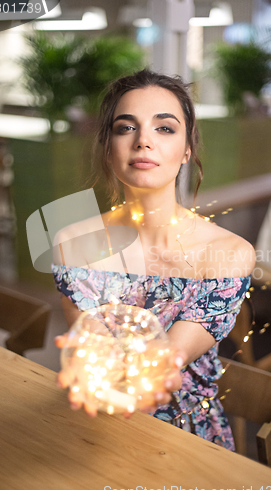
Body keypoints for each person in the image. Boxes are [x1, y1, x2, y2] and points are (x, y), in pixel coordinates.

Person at [52, 69, 255, 450]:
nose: (143, 141)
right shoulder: (73, 243)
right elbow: (93, 351)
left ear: (188, 149)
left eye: (164, 128)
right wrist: (87, 362)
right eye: (125, 128)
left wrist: (157, 371)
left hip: (184, 436)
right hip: (95, 423)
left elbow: (166, 360)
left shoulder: (229, 254)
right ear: (107, 145)